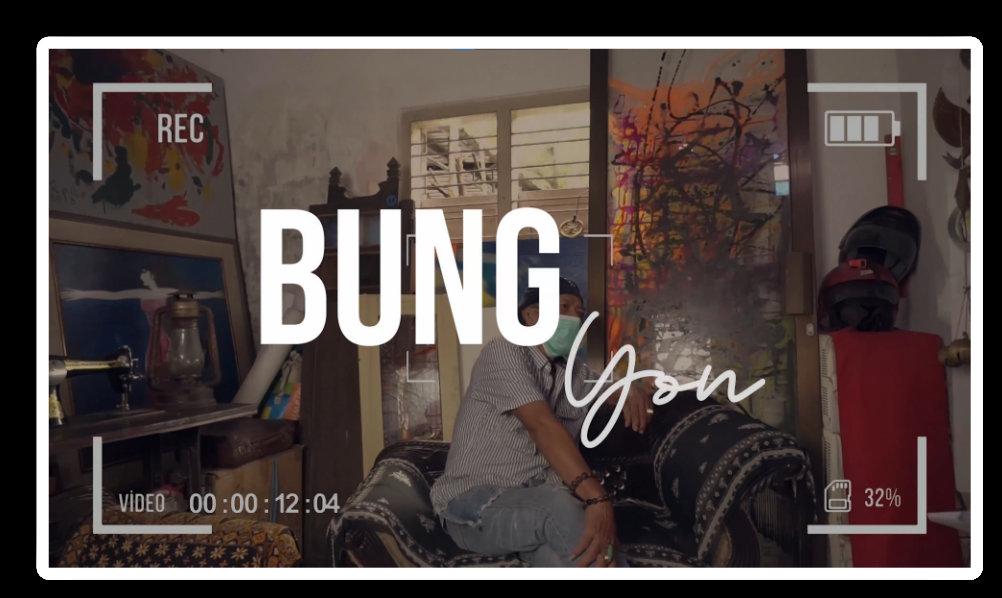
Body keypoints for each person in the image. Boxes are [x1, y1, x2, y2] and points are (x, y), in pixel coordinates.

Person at [430, 276, 653, 567]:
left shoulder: (573, 373)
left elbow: (612, 388)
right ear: (532, 315)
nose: (575, 317)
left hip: (530, 505)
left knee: (567, 556)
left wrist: (630, 387)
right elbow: (541, 424)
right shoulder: (503, 352)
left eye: (579, 311)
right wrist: (597, 499)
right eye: (564, 307)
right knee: (559, 506)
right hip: (474, 504)